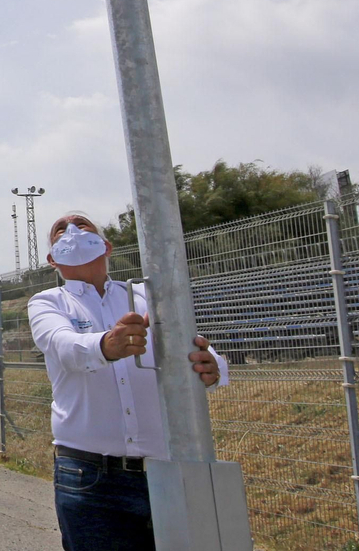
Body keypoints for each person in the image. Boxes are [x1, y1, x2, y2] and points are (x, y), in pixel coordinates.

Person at [27, 210, 228, 551]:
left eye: (82, 225)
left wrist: (216, 368)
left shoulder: (146, 298)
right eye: (60, 230)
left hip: (167, 470)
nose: (72, 229)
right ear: (52, 259)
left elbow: (196, 347)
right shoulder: (48, 303)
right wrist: (106, 345)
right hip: (89, 476)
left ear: (105, 246)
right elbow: (64, 346)